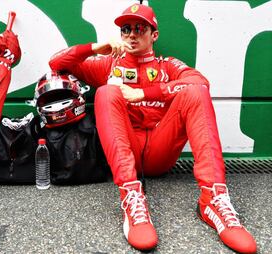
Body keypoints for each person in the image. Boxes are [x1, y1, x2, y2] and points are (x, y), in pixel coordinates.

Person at [49, 3, 257, 253]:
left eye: (140, 28)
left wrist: (143, 93)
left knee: (195, 92)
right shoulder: (107, 63)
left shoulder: (166, 65)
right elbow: (57, 62)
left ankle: (213, 199)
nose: (132, 34)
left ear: (153, 35)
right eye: (126, 29)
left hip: (161, 150)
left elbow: (200, 82)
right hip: (128, 155)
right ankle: (131, 197)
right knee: (106, 92)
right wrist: (97, 47)